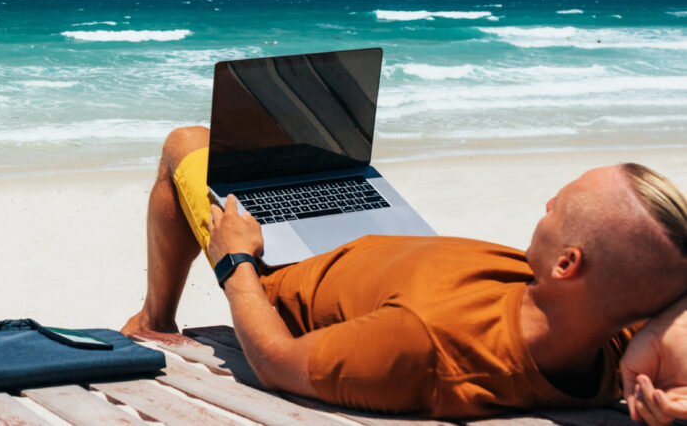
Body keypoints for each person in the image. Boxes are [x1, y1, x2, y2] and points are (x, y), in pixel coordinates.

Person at [121, 126, 687, 425]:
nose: (545, 204)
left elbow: (276, 363)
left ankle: (154, 320)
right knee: (303, 151)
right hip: (379, 248)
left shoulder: (426, 341)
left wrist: (234, 259)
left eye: (557, 209)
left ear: (567, 265)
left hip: (284, 268)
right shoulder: (603, 332)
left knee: (187, 144)